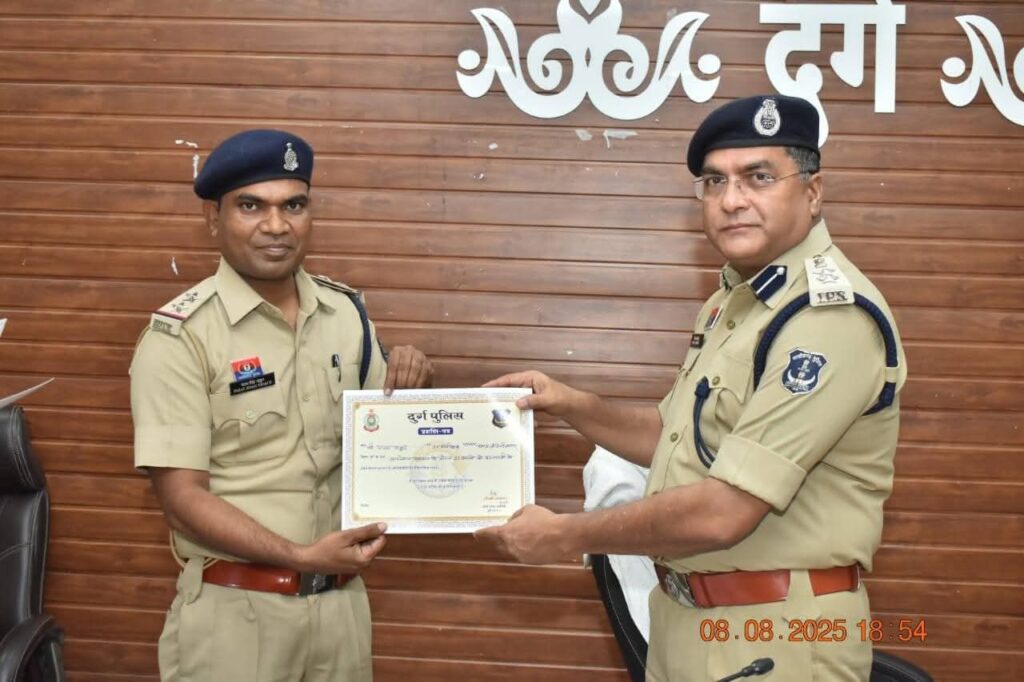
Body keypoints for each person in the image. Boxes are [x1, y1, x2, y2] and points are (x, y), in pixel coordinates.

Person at [477, 95, 906, 681]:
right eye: (714, 181)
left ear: (812, 192)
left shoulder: (826, 317)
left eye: (758, 177)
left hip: (776, 634)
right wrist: (572, 404)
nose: (731, 200)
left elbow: (723, 512)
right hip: (691, 621)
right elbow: (676, 437)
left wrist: (564, 535)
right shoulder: (734, 302)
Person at [130, 129, 433, 682]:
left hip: (341, 612)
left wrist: (412, 390)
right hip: (236, 620)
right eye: (251, 206)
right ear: (213, 218)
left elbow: (385, 444)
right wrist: (300, 556)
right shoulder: (181, 337)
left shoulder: (347, 315)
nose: (276, 225)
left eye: (293, 205)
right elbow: (181, 501)